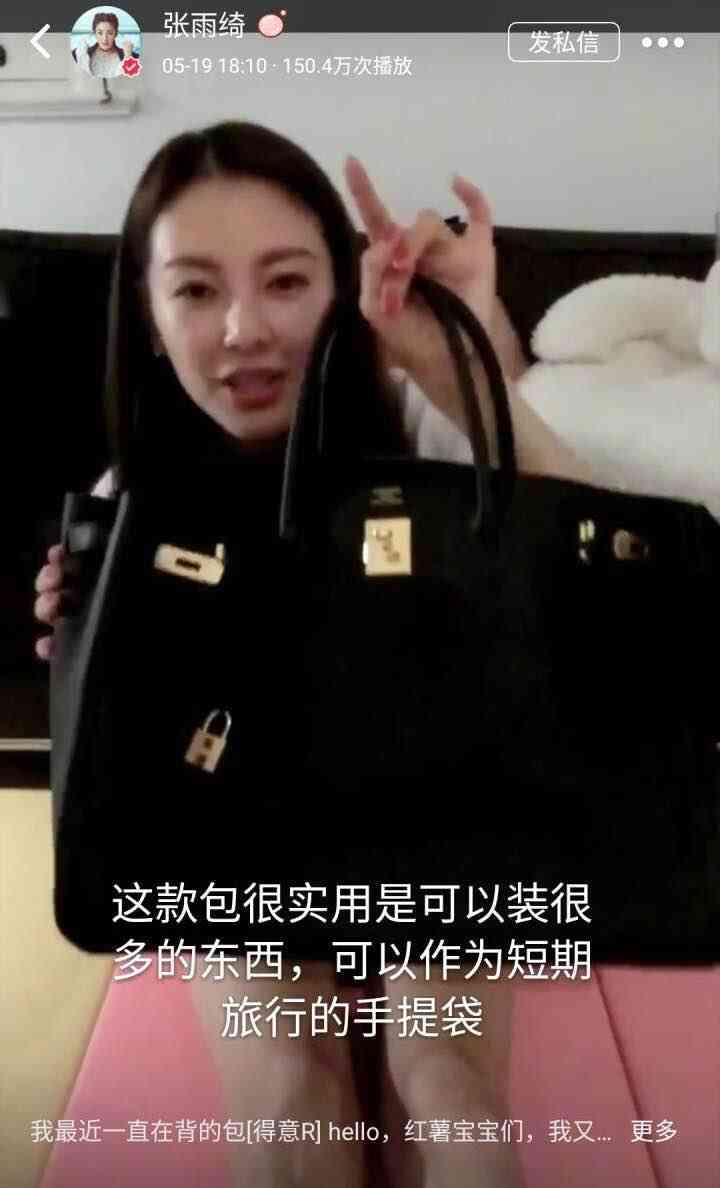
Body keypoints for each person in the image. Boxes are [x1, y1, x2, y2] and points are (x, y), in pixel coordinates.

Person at [34, 121, 592, 1188]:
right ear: (148, 312)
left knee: (448, 1082)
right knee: (290, 1092)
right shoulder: (131, 497)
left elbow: (598, 561)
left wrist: (453, 350)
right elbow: (125, 755)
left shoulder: (421, 419)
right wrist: (82, 641)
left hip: (442, 803)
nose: (245, 330)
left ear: (339, 287)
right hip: (234, 816)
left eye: (286, 281)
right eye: (196, 290)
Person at [72, 11, 139, 78]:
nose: (105, 39)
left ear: (116, 34)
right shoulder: (78, 54)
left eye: (110, 33)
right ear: (94, 33)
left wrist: (128, 57)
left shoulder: (132, 56)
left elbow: (132, 80)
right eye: (100, 33)